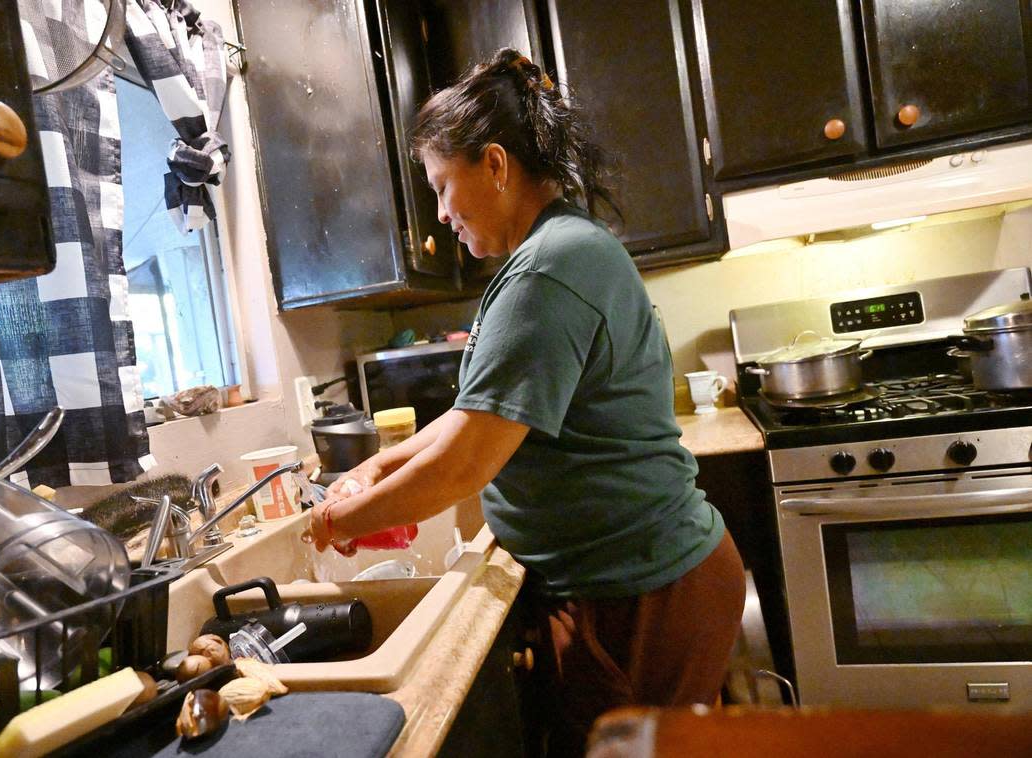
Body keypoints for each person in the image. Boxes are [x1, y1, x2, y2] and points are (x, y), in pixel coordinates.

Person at [309, 48, 746, 756]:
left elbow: (463, 467)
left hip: (641, 594)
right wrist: (374, 473)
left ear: (496, 164)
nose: (443, 214)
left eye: (443, 187)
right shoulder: (554, 253)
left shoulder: (547, 269)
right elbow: (470, 418)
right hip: (639, 586)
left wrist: (337, 521)